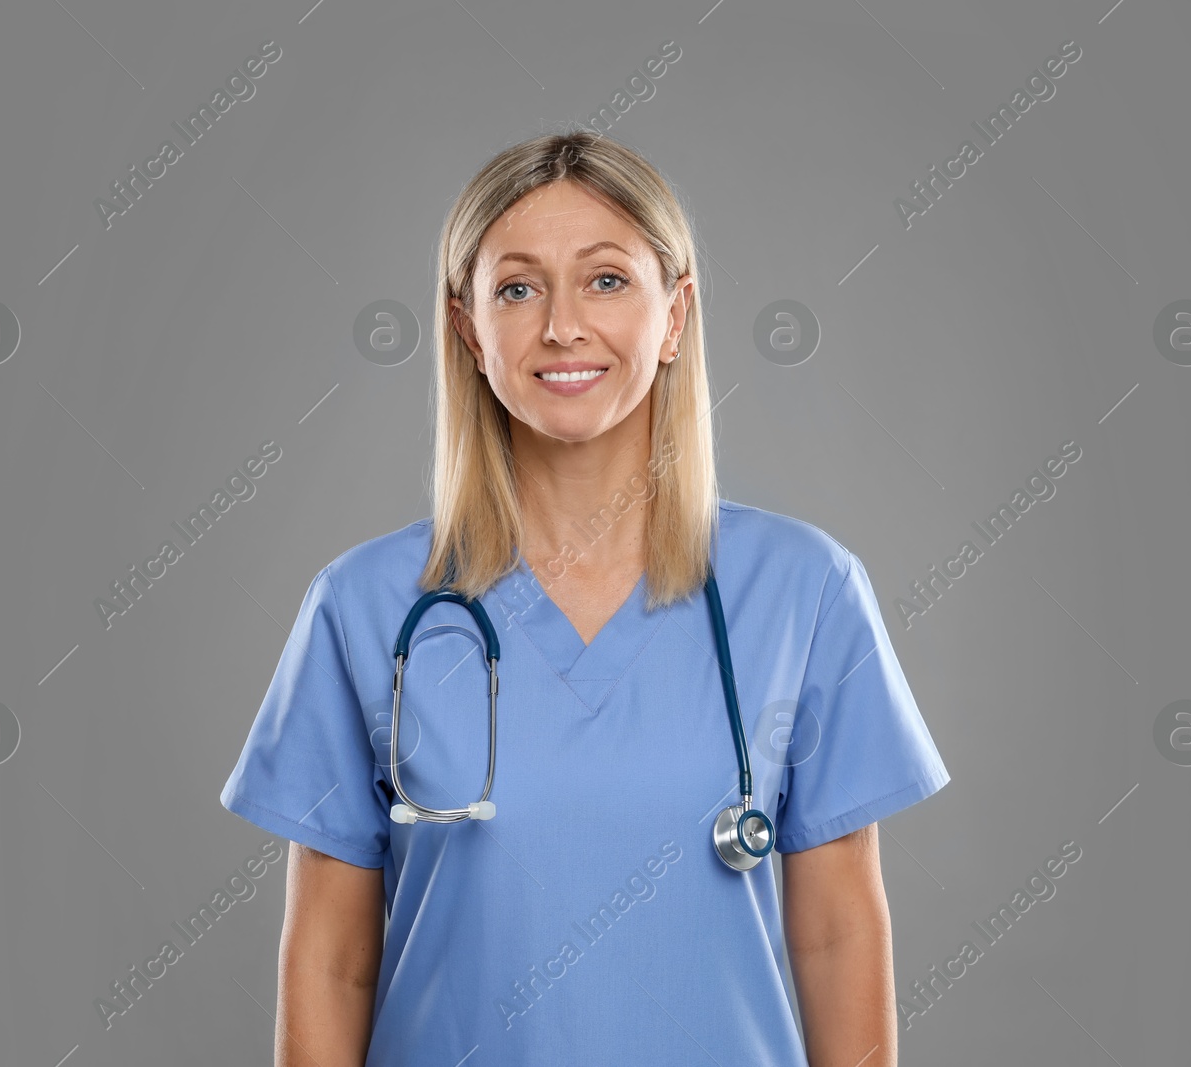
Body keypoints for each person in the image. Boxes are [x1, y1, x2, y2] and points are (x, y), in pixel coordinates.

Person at [219, 131, 950, 1066]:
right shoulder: (361, 609)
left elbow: (838, 934)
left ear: (676, 313)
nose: (562, 325)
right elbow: (331, 961)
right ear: (467, 330)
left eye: (606, 280)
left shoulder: (806, 592)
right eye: (517, 288)